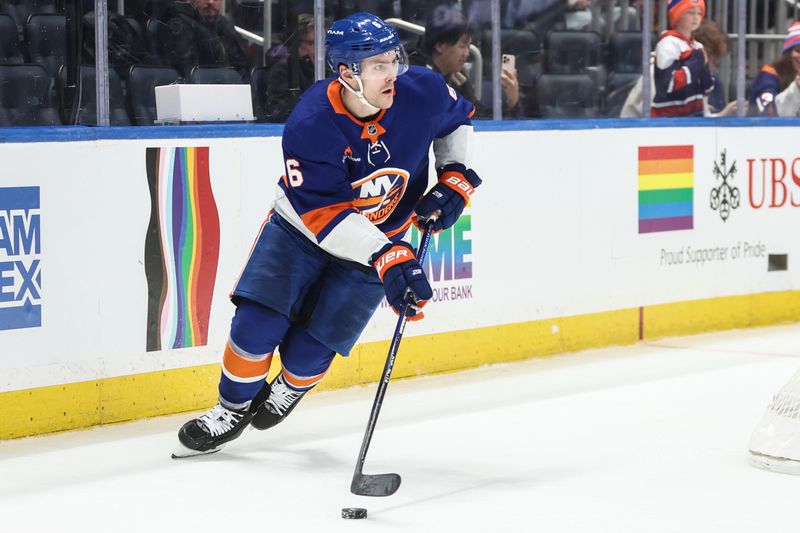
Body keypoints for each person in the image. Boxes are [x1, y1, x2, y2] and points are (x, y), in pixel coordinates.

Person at [173, 12, 482, 457]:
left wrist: (454, 174)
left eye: (394, 59)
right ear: (346, 73)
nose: (392, 72)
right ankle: (231, 408)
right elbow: (326, 215)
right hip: (300, 232)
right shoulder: (311, 122)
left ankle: (289, 387)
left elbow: (457, 119)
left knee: (310, 353)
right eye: (377, 65)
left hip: (379, 243)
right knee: (257, 326)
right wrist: (388, 255)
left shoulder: (425, 91)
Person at [415, 4, 521, 117]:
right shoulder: (414, 76)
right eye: (462, 46)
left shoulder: (458, 77)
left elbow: (478, 116)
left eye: (469, 46)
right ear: (440, 46)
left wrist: (512, 102)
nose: (467, 53)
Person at [620, 19, 737, 118]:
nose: (714, 63)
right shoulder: (661, 72)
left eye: (717, 58)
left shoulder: (699, 77)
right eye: (710, 54)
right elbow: (662, 121)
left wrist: (721, 116)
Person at [650, 0, 714, 117]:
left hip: (695, 114)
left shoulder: (697, 46)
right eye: (690, 12)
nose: (696, 17)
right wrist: (696, 61)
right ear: (677, 14)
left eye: (699, 13)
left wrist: (704, 70)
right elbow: (668, 84)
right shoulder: (667, 44)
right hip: (668, 116)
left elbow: (707, 87)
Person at [164, 0, 250, 78]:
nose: (210, 2)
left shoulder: (224, 26)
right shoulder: (179, 26)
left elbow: (242, 67)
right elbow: (187, 72)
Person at [261, 14, 323, 123]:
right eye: (311, 43)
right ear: (296, 43)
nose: (317, 48)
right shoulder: (282, 69)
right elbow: (277, 112)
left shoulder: (323, 68)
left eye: (320, 43)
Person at [749, 21, 800, 117]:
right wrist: (796, 88)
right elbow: (768, 112)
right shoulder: (769, 74)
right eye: (798, 50)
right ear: (788, 54)